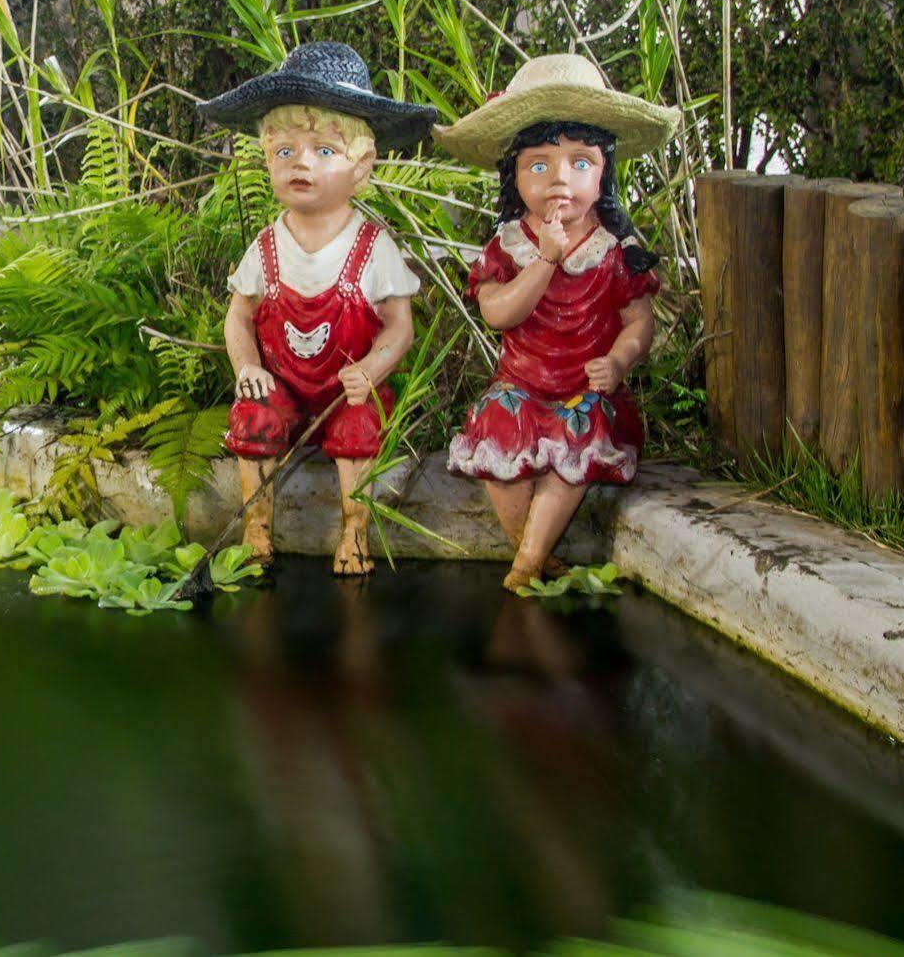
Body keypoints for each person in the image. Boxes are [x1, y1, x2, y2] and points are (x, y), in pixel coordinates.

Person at [434, 53, 682, 591]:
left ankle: (525, 566)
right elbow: (499, 313)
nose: (560, 180)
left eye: (580, 162)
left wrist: (618, 359)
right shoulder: (508, 245)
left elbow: (638, 321)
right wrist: (544, 260)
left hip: (586, 394)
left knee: (578, 435)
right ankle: (534, 554)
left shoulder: (615, 251)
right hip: (520, 390)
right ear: (514, 175)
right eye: (540, 165)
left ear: (604, 172)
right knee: (497, 434)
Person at [199, 42, 437, 573]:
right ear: (268, 160)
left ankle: (355, 533)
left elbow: (400, 325)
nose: (300, 162)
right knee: (255, 418)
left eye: (324, 151)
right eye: (285, 151)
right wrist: (248, 368)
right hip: (282, 383)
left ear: (361, 165)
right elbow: (239, 315)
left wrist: (374, 369)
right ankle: (256, 529)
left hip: (347, 387)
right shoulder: (265, 247)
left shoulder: (373, 247)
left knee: (357, 429)